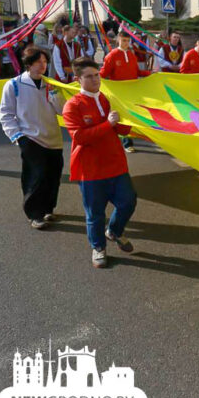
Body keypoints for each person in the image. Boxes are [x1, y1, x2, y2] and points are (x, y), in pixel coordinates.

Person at [62, 57, 137, 268]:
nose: (95, 80)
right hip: (90, 169)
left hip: (115, 163)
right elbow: (80, 137)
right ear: (78, 80)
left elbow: (113, 126)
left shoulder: (104, 98)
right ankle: (98, 248)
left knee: (128, 201)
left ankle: (114, 231)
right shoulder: (72, 106)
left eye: (97, 75)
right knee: (95, 213)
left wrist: (133, 125)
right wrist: (108, 124)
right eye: (89, 76)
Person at [0, 46, 64, 230]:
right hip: (30, 139)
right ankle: (34, 214)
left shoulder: (51, 84)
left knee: (53, 174)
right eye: (38, 62)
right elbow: (6, 113)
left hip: (53, 138)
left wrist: (55, 96)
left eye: (44, 62)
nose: (42, 65)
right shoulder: (14, 85)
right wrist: (17, 136)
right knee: (36, 176)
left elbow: (63, 111)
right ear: (28, 64)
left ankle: (48, 208)